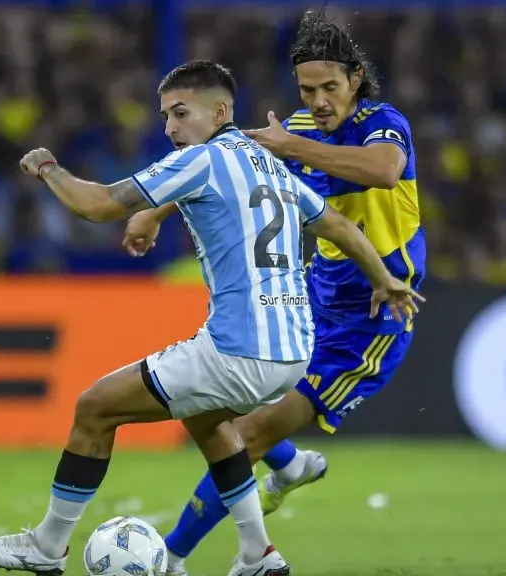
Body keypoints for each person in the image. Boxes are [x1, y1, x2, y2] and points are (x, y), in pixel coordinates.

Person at [0, 59, 423, 576]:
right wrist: (384, 279)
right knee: (207, 419)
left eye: (181, 113)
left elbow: (99, 205)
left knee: (95, 408)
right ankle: (258, 553)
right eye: (165, 116)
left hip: (238, 350)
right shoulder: (267, 162)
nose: (170, 127)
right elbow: (337, 225)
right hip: (293, 350)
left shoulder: (202, 160)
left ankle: (47, 547)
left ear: (220, 112)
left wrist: (49, 168)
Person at [121, 13, 427, 576]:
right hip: (311, 295)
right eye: (307, 90)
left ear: (356, 79)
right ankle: (289, 469)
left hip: (373, 316)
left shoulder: (383, 124)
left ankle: (171, 557)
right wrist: (154, 210)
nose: (318, 101)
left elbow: (385, 172)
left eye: (329, 87)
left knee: (246, 433)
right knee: (215, 402)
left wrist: (295, 146)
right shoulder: (299, 126)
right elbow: (227, 163)